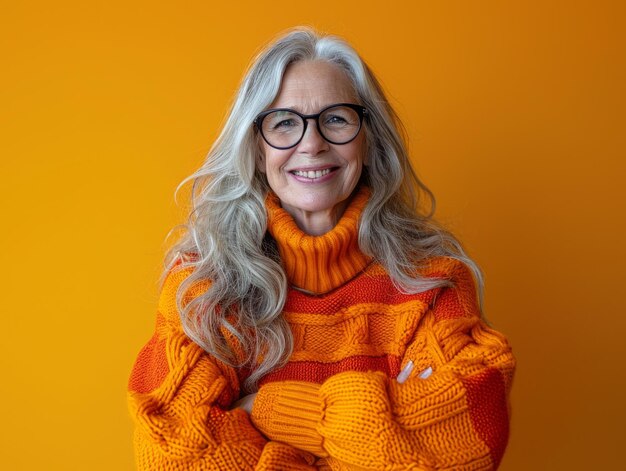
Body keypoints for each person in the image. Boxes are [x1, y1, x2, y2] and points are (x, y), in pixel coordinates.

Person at [128, 27, 515, 470]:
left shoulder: (432, 281)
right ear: (256, 149)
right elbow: (170, 455)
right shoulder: (202, 287)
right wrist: (383, 429)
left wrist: (264, 409)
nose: (311, 144)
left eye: (336, 118)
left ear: (369, 141)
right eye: (285, 122)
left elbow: (467, 444)